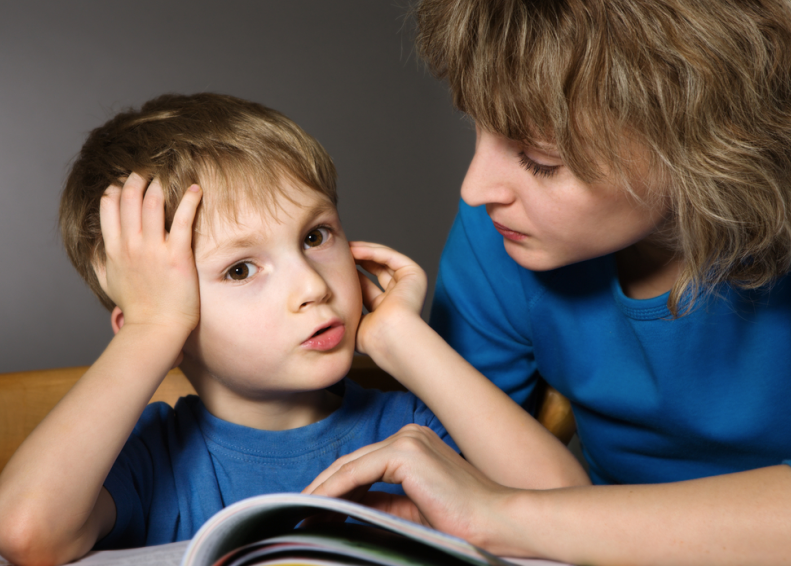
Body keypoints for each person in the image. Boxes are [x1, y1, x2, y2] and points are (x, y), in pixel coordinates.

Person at [0, 93, 586, 565]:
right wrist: (151, 329)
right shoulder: (149, 458)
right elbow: (25, 533)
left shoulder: (411, 429)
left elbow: (571, 513)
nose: (313, 286)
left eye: (315, 236)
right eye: (241, 268)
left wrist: (403, 338)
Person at [305, 1, 791, 564]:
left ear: (703, 143)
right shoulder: (500, 238)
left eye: (539, 160)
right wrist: (400, 342)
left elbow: (489, 508)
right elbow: (458, 467)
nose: (474, 189)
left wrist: (501, 518)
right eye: (478, 128)